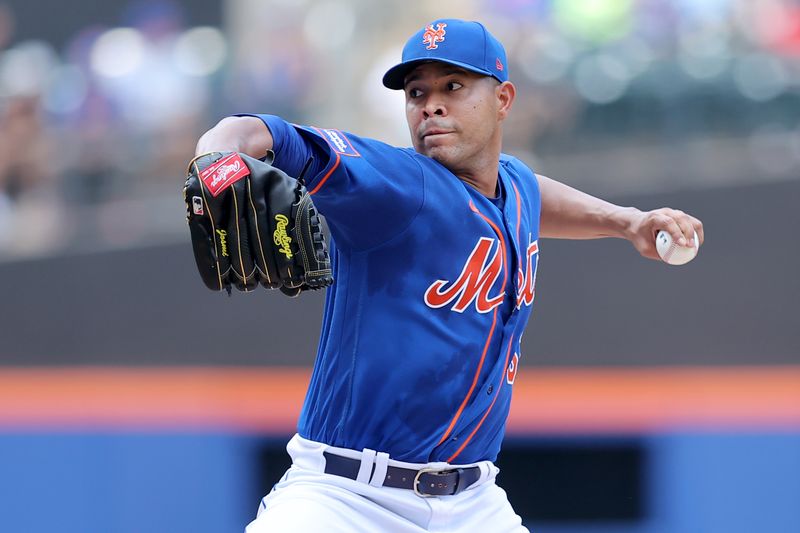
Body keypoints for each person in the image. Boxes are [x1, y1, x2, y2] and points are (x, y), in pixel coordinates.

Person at [195, 19, 704, 533]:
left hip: (473, 502)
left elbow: (530, 192)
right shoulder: (396, 184)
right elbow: (264, 133)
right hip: (345, 499)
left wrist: (628, 222)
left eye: (453, 87)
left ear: (503, 99)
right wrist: (215, 158)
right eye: (417, 92)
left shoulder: (514, 185)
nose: (431, 105)